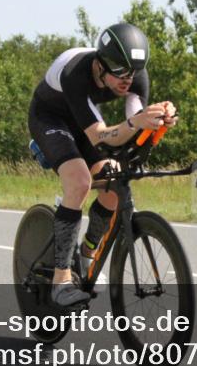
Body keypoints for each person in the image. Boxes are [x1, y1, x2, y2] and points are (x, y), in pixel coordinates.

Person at [27, 23, 177, 306]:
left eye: (132, 71)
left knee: (112, 185)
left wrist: (158, 123)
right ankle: (61, 281)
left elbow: (133, 132)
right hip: (52, 120)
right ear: (100, 64)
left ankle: (86, 254)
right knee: (79, 181)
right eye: (119, 71)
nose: (127, 79)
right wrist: (136, 122)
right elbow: (100, 135)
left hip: (86, 121)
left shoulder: (134, 76)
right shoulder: (75, 72)